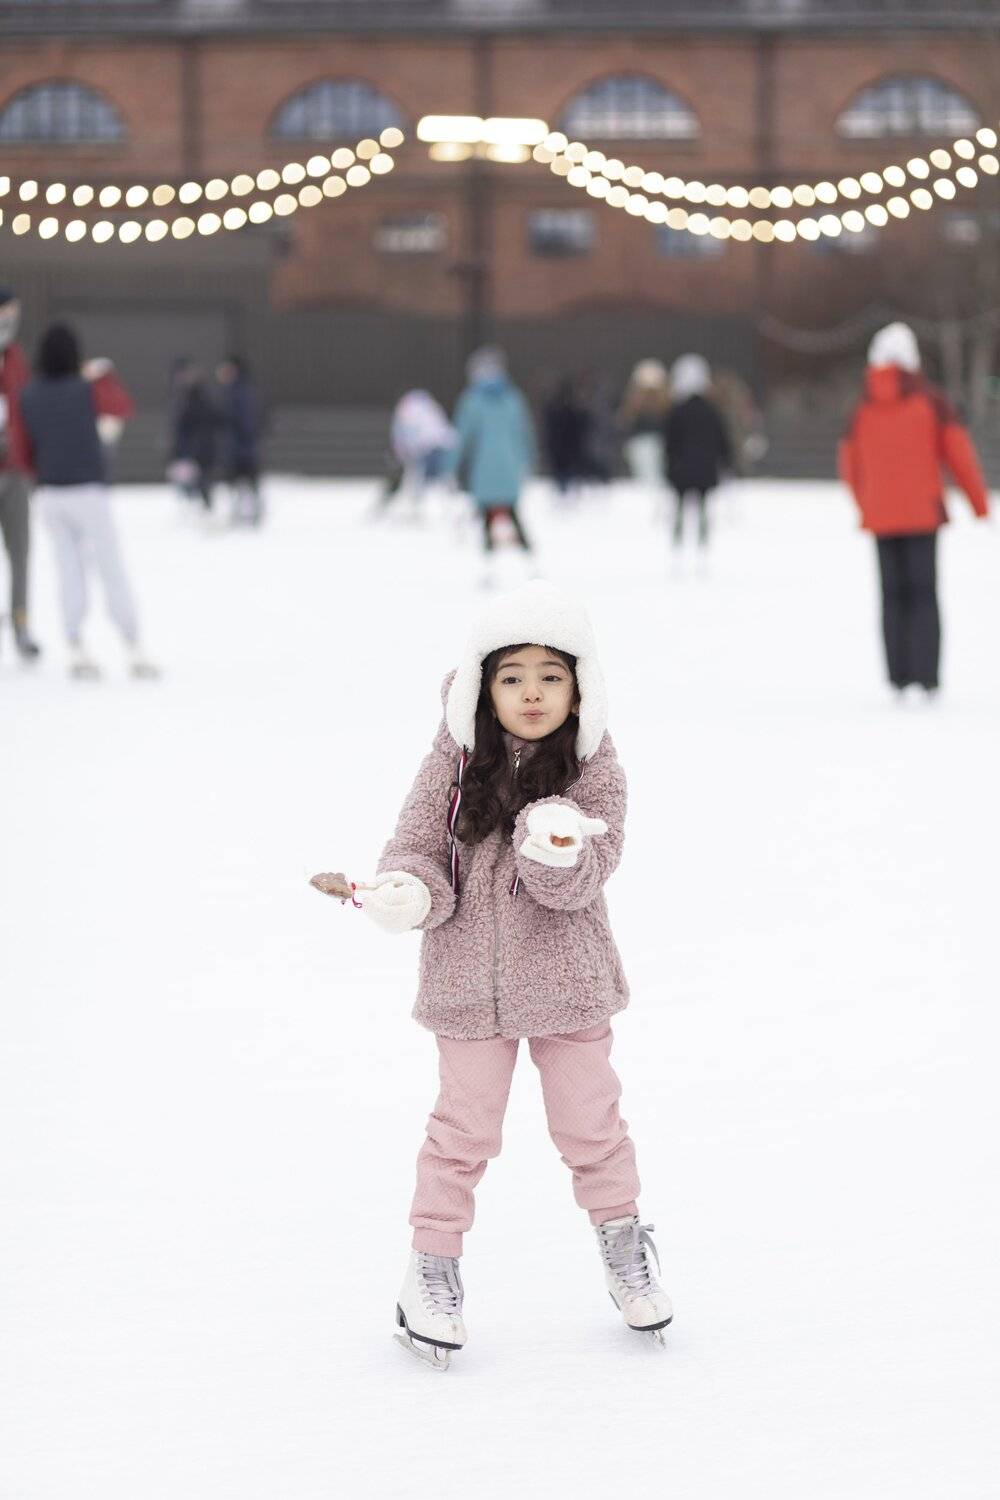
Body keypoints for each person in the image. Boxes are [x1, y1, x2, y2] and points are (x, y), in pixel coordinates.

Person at [310, 580, 672, 1369]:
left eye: (551, 675)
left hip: (569, 985)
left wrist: (554, 848)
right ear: (483, 685)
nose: (532, 693)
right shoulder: (450, 761)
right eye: (512, 677)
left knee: (591, 1125)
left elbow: (582, 880)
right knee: (462, 1132)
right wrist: (406, 892)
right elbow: (415, 849)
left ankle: (624, 1249)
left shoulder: (595, 768)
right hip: (466, 985)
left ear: (580, 686)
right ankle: (430, 1271)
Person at [839, 322, 989, 699]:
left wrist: (866, 504)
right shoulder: (931, 402)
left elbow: (849, 466)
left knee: (891, 595)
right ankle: (926, 676)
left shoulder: (862, 407)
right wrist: (979, 504)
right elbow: (959, 455)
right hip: (923, 514)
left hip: (881, 515)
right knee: (923, 594)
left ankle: (898, 677)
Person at [19, 323, 158, 681]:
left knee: (68, 571)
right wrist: (103, 376)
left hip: (50, 493)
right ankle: (133, 644)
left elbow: (23, 449)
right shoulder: (86, 388)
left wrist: (41, 473)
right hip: (88, 491)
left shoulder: (29, 395)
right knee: (110, 567)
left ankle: (75, 643)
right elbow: (121, 408)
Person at [451, 347, 536, 586]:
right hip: (510, 469)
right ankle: (531, 563)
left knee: (488, 517)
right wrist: (527, 462)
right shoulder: (513, 398)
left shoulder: (472, 401)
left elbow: (461, 438)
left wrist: (450, 468)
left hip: (484, 472)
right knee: (513, 514)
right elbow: (524, 434)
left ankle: (489, 566)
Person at [0, 288, 41, 660]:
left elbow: (27, 412)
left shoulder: (16, 358)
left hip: (14, 473)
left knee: (20, 553)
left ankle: (21, 623)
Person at [664, 354, 733, 548]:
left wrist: (669, 463)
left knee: (680, 502)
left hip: (682, 466)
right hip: (705, 466)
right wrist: (725, 461)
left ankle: (679, 534)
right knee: (702, 502)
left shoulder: (678, 411)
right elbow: (721, 439)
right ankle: (701, 535)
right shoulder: (711, 411)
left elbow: (670, 441)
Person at [380, 389, 456, 517]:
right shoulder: (429, 406)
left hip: (425, 449)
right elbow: (444, 431)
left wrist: (403, 452)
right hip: (439, 447)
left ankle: (417, 507)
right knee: (438, 480)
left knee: (419, 479)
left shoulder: (407, 408)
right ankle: (441, 506)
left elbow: (403, 433)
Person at [216, 355, 266, 526]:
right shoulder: (235, 391)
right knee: (240, 483)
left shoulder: (240, 393)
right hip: (239, 447)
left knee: (245, 482)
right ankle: (244, 513)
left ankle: (248, 514)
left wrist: (244, 443)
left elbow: (247, 423)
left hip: (242, 449)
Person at [167, 359, 219, 512]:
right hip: (187, 449)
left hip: (200, 449)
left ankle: (204, 509)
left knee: (202, 483)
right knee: (188, 484)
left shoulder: (200, 397)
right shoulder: (180, 397)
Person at [618, 358, 670, 500]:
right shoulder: (636, 402)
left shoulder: (663, 402)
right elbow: (625, 421)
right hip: (641, 444)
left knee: (655, 482)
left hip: (657, 443)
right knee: (645, 483)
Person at [542, 375, 592, 500]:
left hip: (564, 453)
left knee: (566, 484)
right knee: (566, 484)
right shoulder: (571, 410)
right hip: (566, 453)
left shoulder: (557, 409)